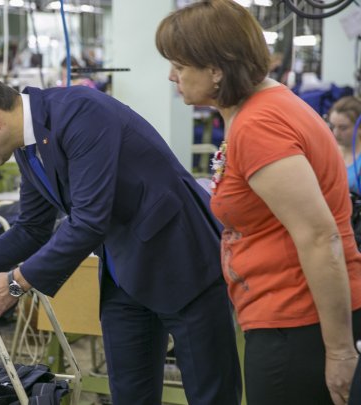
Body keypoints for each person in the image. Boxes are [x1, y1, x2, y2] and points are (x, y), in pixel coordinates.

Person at [0, 69, 242, 404]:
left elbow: (90, 220)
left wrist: (17, 282)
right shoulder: (26, 148)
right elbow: (32, 228)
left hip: (182, 261)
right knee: (129, 395)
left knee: (211, 395)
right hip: (125, 275)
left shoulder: (80, 112)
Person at [155, 2, 361, 405]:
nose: (171, 76)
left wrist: (339, 351)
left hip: (297, 319)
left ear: (215, 69)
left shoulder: (259, 125)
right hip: (288, 312)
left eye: (179, 65)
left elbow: (320, 237)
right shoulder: (264, 106)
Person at [329, 96, 361, 194]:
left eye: (343, 128)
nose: (335, 133)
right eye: (332, 126)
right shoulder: (327, 153)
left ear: (359, 127)